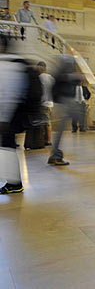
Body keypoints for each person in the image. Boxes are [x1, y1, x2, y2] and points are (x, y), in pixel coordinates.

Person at [0, 34, 27, 193]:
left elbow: (8, 94)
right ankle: (14, 183)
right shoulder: (14, 63)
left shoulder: (6, 65)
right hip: (11, 114)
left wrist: (4, 118)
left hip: (7, 115)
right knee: (7, 147)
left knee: (8, 147)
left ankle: (14, 183)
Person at [47, 55, 84, 166]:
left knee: (61, 130)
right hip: (64, 101)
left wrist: (77, 78)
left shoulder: (70, 65)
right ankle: (55, 155)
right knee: (61, 129)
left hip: (67, 101)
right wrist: (73, 76)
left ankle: (55, 155)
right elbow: (59, 77)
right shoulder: (66, 64)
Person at [37, 61, 54, 145]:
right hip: (50, 103)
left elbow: (40, 90)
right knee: (47, 121)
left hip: (43, 103)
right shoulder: (51, 78)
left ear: (40, 68)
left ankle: (48, 140)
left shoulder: (40, 77)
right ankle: (46, 139)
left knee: (45, 123)